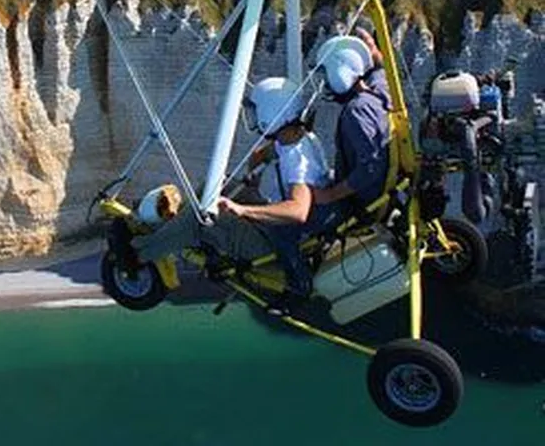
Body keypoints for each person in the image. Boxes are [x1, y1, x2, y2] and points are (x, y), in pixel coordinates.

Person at [130, 76, 336, 294]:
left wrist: (242, 209)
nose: (254, 116)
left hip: (276, 241)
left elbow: (298, 211)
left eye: (258, 111)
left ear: (272, 114)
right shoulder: (293, 138)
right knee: (214, 189)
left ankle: (136, 254)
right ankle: (168, 233)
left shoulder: (298, 162)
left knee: (198, 220)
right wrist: (253, 176)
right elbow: (260, 155)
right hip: (277, 226)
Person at [312, 35, 391, 212]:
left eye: (327, 74)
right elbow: (382, 72)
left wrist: (329, 196)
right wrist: (372, 51)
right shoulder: (380, 94)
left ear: (340, 72)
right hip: (379, 192)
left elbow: (370, 167)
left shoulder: (356, 111)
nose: (325, 82)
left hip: (359, 203)